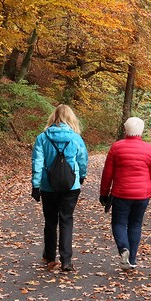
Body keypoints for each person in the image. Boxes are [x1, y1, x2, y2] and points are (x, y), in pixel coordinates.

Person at [99, 116, 151, 269]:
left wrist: (103, 194)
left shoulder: (116, 147)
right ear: (141, 130)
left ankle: (123, 248)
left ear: (125, 129)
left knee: (119, 223)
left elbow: (107, 173)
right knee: (135, 225)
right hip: (143, 195)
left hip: (121, 194)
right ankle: (132, 260)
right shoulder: (149, 149)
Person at [31, 104, 89, 272]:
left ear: (54, 117)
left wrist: (36, 185)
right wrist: (81, 176)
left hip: (48, 186)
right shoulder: (76, 138)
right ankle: (66, 260)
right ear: (71, 118)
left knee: (50, 221)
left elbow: (37, 162)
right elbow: (82, 160)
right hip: (71, 185)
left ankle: (50, 257)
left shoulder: (43, 138)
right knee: (66, 219)